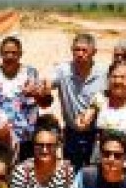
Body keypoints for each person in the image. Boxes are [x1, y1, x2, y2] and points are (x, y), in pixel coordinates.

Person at [76, 61, 126, 180]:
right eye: (114, 77)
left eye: (122, 77)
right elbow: (87, 116)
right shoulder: (100, 98)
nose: (117, 81)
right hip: (102, 156)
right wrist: (82, 122)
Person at [43, 32, 107, 172]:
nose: (79, 54)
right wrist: (43, 87)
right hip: (72, 133)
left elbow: (110, 95)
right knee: (71, 172)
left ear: (94, 52)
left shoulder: (103, 73)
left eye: (84, 50)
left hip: (97, 134)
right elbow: (48, 83)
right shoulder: (63, 70)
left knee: (94, 173)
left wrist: (94, 109)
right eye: (76, 50)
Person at [0, 36, 47, 162]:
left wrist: (36, 95)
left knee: (24, 176)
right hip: (0, 139)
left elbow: (45, 103)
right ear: (0, 54)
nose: (10, 56)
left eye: (14, 53)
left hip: (26, 139)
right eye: (6, 53)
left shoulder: (31, 73)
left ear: (20, 54)